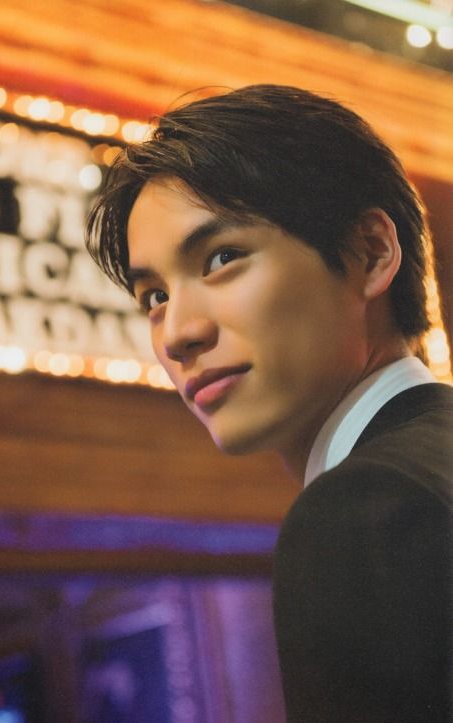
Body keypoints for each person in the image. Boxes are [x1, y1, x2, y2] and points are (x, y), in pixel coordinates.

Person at [86, 85, 452, 723]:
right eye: (153, 298)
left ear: (370, 253)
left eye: (223, 258)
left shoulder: (367, 508)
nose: (176, 335)